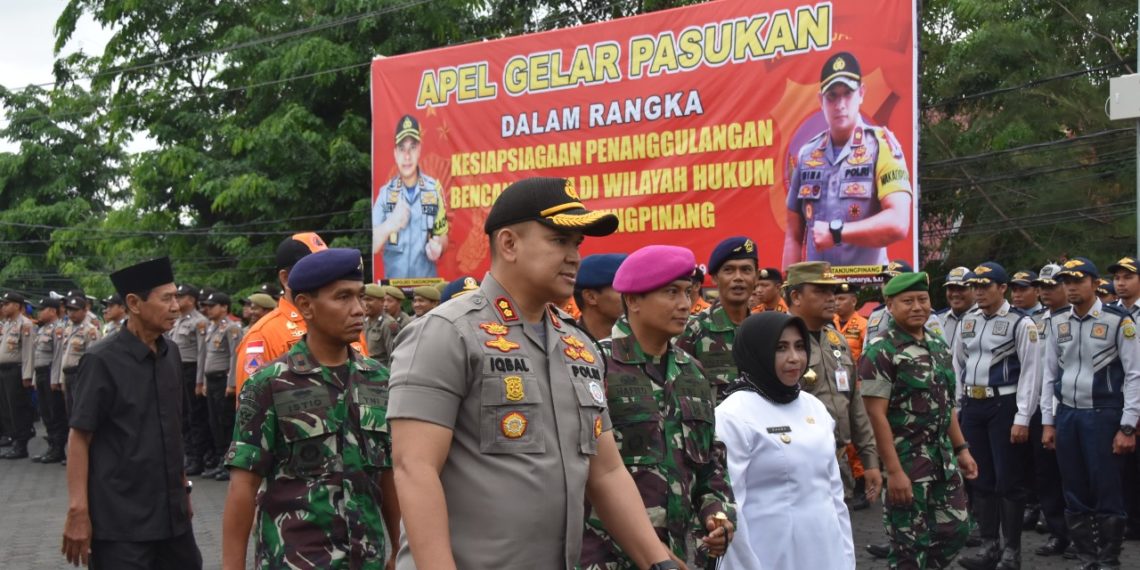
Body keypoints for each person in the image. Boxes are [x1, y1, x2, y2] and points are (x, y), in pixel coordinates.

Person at [387, 177, 681, 569]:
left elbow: (607, 471)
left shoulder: (579, 346)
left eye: (577, 244)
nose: (575, 256)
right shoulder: (447, 332)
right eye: (559, 240)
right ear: (509, 243)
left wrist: (657, 561)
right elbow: (415, 468)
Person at [223, 248, 400, 570]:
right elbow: (243, 486)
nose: (358, 309)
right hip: (296, 560)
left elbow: (389, 473)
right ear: (306, 305)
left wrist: (399, 549)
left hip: (367, 559)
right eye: (343, 297)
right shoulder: (269, 384)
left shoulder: (379, 380)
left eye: (360, 296)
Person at [581, 246, 736, 569]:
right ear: (633, 301)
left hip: (675, 556)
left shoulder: (691, 371)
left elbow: (709, 462)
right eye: (670, 292)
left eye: (687, 292)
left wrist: (716, 514)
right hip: (605, 557)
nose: (684, 304)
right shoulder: (594, 364)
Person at [61, 257, 201, 569]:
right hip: (122, 524)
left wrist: (183, 487)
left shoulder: (171, 353)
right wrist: (78, 512)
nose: (176, 306)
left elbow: (174, 429)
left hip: (173, 519)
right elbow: (79, 438)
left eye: (177, 297)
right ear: (134, 303)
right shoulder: (101, 361)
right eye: (166, 299)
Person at [859, 271, 979, 569]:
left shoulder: (938, 346)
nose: (917, 307)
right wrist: (894, 471)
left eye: (922, 300)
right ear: (890, 305)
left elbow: (946, 403)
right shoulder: (881, 351)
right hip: (907, 461)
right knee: (909, 545)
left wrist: (961, 449)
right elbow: (876, 415)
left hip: (942, 458)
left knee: (956, 530)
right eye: (907, 301)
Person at [718, 311, 855, 569]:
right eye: (780, 348)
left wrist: (847, 558)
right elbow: (730, 510)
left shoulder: (814, 407)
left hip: (826, 550)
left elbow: (834, 494)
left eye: (800, 346)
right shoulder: (733, 415)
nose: (794, 358)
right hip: (769, 554)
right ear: (756, 351)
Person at [1040, 257, 1139, 568]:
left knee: (1107, 490)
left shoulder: (1118, 320)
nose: (1070, 287)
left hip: (1105, 414)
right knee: (1074, 490)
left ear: (1095, 284)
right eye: (1066, 281)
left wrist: (1127, 426)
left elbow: (1135, 374)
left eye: (1078, 280)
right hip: (1068, 414)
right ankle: (1086, 559)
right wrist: (1048, 422)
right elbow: (1049, 376)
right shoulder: (1057, 322)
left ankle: (1109, 561)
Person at [782, 51, 913, 268]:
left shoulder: (882, 146)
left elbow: (898, 223)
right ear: (820, 100)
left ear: (861, 93)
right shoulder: (807, 154)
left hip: (866, 292)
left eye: (847, 94)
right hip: (818, 294)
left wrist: (837, 233)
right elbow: (793, 235)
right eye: (832, 96)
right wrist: (789, 289)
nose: (840, 104)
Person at [953, 262, 1041, 570]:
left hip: (1004, 405)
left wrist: (1023, 417)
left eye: (985, 285)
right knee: (981, 478)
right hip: (973, 407)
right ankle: (989, 547)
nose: (978, 291)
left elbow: (1032, 372)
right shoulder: (968, 320)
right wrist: (957, 407)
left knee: (1009, 480)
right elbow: (957, 366)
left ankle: (1011, 552)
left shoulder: (1021, 323)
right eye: (974, 286)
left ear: (1002, 288)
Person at [784, 262, 881, 512]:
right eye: (821, 292)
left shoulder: (836, 339)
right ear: (796, 296)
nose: (832, 299)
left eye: (833, 292)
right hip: (796, 465)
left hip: (839, 462)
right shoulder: (779, 341)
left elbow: (854, 403)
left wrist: (870, 461)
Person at [233, 232, 328, 399]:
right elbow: (250, 413)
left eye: (327, 267)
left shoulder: (341, 323)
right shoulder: (262, 337)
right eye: (315, 268)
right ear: (286, 278)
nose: (328, 276)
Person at [1025, 262, 1072, 557]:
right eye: (1042, 286)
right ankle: (1058, 533)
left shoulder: (1076, 318)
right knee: (1046, 476)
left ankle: (1083, 537)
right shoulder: (1036, 321)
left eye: (1052, 286)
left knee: (1074, 475)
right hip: (1040, 408)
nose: (1046, 292)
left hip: (1069, 406)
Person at [677, 236, 759, 403]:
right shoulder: (693, 330)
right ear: (714, 278)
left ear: (756, 277)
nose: (738, 278)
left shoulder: (765, 331)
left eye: (746, 270)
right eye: (729, 270)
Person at [372, 114, 448, 279]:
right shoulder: (385, 194)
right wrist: (391, 223)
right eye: (402, 149)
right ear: (395, 153)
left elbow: (443, 235)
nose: (407, 156)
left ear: (419, 149)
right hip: (394, 295)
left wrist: (439, 247)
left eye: (412, 147)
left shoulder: (434, 190)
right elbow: (372, 244)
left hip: (425, 293)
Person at [1107, 256, 1140, 540]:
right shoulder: (1108, 314)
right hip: (1119, 398)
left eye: (1127, 277)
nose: (1120, 282)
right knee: (1121, 466)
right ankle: (1127, 518)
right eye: (1117, 277)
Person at [195, 291, 242, 482]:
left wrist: (231, 384)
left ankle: (229, 463)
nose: (208, 309)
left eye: (212, 305)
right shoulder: (211, 327)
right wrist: (204, 382)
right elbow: (205, 356)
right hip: (211, 380)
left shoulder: (232, 328)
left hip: (224, 381)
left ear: (224, 307)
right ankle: (220, 460)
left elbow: (235, 356)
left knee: (225, 423)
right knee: (214, 423)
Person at [167, 283, 210, 475]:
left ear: (191, 300)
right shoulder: (177, 320)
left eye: (180, 296)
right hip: (178, 369)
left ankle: (197, 458)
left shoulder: (199, 321)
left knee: (195, 416)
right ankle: (187, 454)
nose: (176, 300)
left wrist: (200, 381)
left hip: (192, 371)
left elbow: (202, 353)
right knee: (182, 414)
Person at [864, 260, 947, 352]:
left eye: (894, 281)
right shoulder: (875, 316)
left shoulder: (925, 316)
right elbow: (866, 351)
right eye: (886, 282)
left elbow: (942, 353)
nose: (888, 286)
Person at [31, 297, 67, 464]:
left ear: (52, 311)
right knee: (45, 412)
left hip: (50, 373)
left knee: (55, 412)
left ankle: (59, 448)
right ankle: (51, 445)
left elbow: (59, 356)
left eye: (42, 309)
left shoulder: (58, 329)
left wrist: (56, 379)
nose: (39, 312)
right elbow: (36, 356)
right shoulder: (41, 329)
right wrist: (33, 378)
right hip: (40, 374)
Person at [0, 291, 35, 460]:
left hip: (16, 370)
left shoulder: (25, 324)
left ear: (16, 305)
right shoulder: (6, 324)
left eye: (7, 303)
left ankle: (21, 444)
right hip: (4, 370)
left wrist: (27, 375)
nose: (3, 307)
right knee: (6, 408)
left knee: (17, 408)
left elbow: (28, 352)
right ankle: (14, 439)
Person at [55, 296, 102, 415]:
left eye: (75, 310)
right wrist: (61, 379)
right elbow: (64, 355)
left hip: (80, 374)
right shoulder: (67, 329)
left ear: (85, 311)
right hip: (67, 374)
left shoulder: (90, 330)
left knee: (80, 411)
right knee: (70, 411)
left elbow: (92, 360)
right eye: (69, 310)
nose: (71, 313)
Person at [573, 253, 627, 342]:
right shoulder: (567, 345)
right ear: (591, 297)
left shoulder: (647, 340)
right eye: (621, 288)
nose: (633, 298)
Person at [934, 267, 973, 354]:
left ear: (974, 289)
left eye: (961, 288)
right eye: (951, 288)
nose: (955, 294)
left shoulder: (984, 318)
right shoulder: (937, 319)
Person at [363, 283, 400, 367]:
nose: (365, 303)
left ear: (382, 302)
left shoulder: (389, 324)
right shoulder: (364, 322)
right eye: (363, 299)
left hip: (381, 374)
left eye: (369, 299)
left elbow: (394, 357)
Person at [834, 282, 867, 359]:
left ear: (853, 301)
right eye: (834, 299)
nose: (836, 303)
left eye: (841, 299)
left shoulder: (863, 325)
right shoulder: (828, 323)